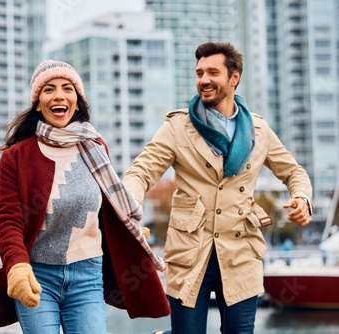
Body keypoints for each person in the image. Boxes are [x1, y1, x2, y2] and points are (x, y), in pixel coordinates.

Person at [122, 42, 312, 334]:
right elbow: (141, 172)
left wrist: (302, 198)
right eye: (199, 73)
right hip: (189, 252)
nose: (204, 80)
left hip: (241, 250)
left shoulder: (259, 130)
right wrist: (129, 206)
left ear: (234, 78)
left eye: (213, 72)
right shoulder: (177, 126)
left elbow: (294, 172)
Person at [0, 60, 170, 334]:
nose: (59, 95)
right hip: (37, 274)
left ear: (77, 101)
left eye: (68, 88)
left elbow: (107, 207)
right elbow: (8, 221)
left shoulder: (95, 147)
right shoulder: (16, 157)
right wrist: (16, 266)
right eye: (49, 89)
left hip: (88, 273)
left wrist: (129, 231)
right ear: (38, 103)